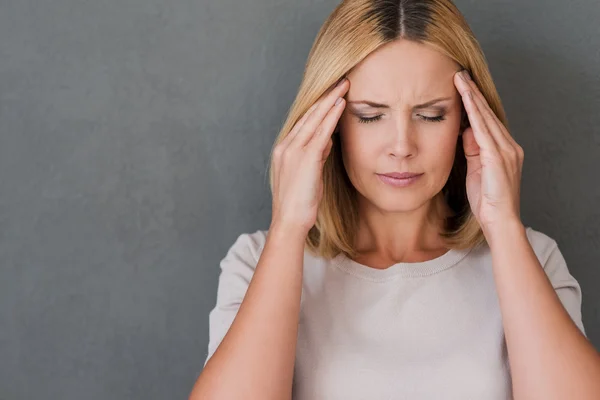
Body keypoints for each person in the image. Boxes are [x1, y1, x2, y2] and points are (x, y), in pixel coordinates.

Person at [189, 0, 600, 399]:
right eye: (370, 115)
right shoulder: (256, 261)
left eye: (431, 114)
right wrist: (288, 228)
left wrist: (504, 226)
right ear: (328, 125)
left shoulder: (534, 259)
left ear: (469, 121)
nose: (402, 146)